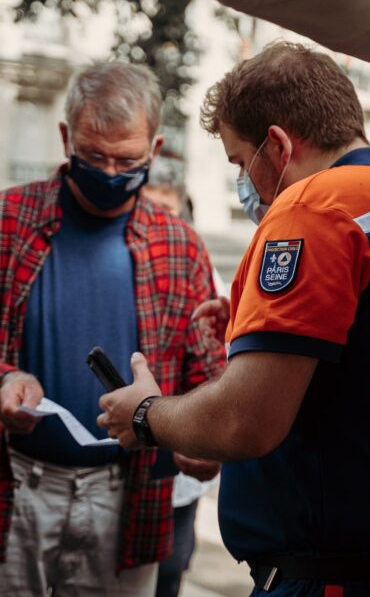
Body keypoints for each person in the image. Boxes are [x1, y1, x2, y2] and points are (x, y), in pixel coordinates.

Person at [98, 42, 370, 596]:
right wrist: (256, 321)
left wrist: (145, 415)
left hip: (344, 578)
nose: (245, 183)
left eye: (241, 162)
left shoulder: (314, 208)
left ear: (278, 145)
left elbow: (248, 419)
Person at [0, 62, 225, 596]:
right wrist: (5, 378)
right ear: (65, 138)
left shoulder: (180, 244)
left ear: (155, 147)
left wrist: (204, 437)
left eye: (126, 160)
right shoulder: (9, 219)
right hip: (16, 483)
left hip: (128, 494)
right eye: (92, 156)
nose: (108, 172)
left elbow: (210, 374)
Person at [141, 156, 223, 597]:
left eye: (166, 211)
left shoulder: (196, 267)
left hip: (179, 465)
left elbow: (213, 366)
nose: (154, 221)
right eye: (146, 207)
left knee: (171, 567)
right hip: (129, 458)